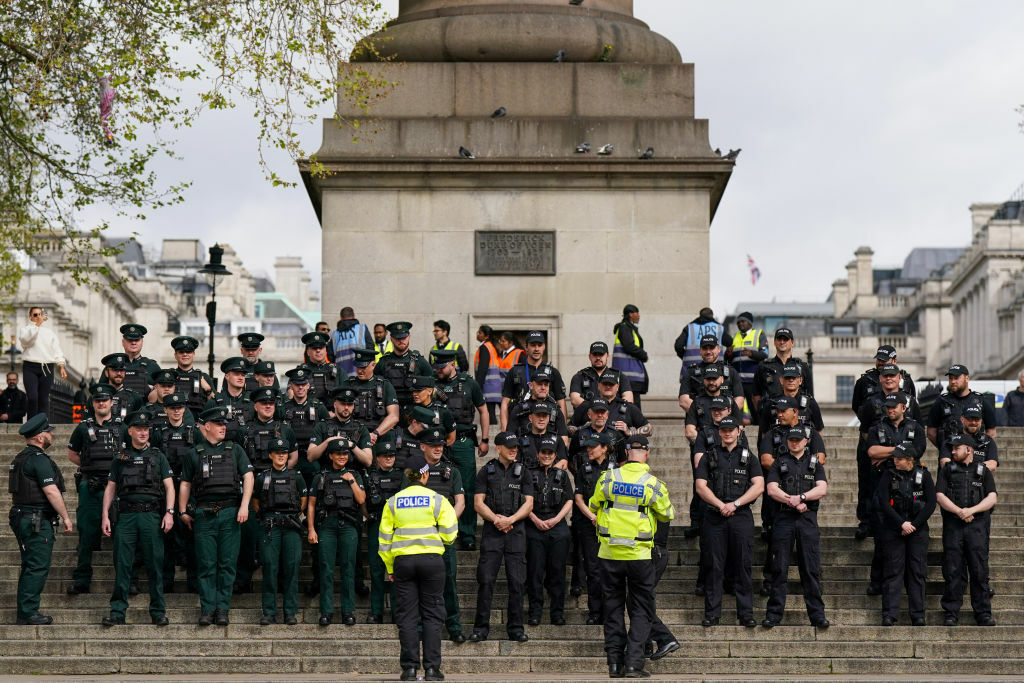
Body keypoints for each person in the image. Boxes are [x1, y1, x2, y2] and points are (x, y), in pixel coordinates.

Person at [588, 432, 674, 678]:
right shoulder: (653, 484)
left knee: (613, 608)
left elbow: (593, 505)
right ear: (646, 453)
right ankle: (634, 664)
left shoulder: (607, 478)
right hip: (639, 556)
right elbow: (668, 514)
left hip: (609, 554)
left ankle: (614, 664)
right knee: (641, 610)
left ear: (626, 453)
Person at [377, 452, 458, 682]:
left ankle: (409, 669)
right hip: (432, 562)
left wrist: (390, 567)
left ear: (406, 475)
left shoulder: (393, 502)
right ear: (424, 474)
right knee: (432, 615)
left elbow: (384, 541)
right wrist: (437, 539)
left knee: (407, 616)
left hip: (403, 563)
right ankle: (432, 669)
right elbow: (451, 534)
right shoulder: (437, 499)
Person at [178, 406, 255, 626]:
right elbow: (185, 483)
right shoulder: (195, 453)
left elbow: (248, 476)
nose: (224, 428)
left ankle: (222, 609)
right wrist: (183, 510)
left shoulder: (235, 449)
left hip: (231, 512)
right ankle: (207, 609)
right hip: (204, 513)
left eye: (225, 424)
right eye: (219, 424)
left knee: (228, 563)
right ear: (207, 427)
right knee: (206, 564)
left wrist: (244, 505)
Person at [99, 411, 175, 627]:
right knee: (122, 564)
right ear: (130, 431)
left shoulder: (158, 456)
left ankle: (158, 611)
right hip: (126, 517)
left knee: (154, 564)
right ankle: (117, 612)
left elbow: (170, 486)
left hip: (151, 515)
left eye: (146, 429)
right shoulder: (120, 458)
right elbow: (111, 488)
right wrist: (105, 515)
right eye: (139, 429)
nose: (143, 432)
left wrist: (169, 513)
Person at [694, 416, 763, 628]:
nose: (727, 433)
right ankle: (712, 614)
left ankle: (746, 614)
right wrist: (720, 504)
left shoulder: (749, 457)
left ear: (739, 431)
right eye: (723, 429)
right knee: (713, 566)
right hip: (715, 517)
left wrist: (735, 504)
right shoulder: (708, 456)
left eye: (731, 429)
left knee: (742, 565)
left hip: (740, 516)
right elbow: (700, 486)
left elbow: (759, 486)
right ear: (719, 432)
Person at [469, 431, 534, 643]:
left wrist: (510, 520)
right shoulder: (485, 472)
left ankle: (515, 629)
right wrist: (497, 521)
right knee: (486, 581)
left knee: (517, 582)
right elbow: (478, 503)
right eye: (510, 446)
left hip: (516, 533)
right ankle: (480, 628)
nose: (514, 449)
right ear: (499, 448)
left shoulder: (523, 471)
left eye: (516, 446)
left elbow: (529, 504)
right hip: (492, 533)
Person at [763, 427, 829, 629]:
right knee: (779, 568)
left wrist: (801, 498)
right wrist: (791, 501)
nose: (794, 442)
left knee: (810, 569)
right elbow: (771, 489)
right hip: (784, 518)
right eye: (791, 439)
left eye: (798, 439)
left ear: (806, 441)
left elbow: (822, 488)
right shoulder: (779, 462)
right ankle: (774, 614)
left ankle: (817, 616)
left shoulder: (814, 463)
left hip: (807, 519)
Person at [10, 413, 72, 625]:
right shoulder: (38, 460)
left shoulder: (20, 458)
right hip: (35, 518)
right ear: (39, 437)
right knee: (37, 565)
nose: (51, 434)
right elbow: (52, 492)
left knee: (30, 564)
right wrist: (66, 517)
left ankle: (25, 610)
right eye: (47, 432)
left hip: (22, 515)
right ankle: (28, 612)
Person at [65, 384, 124, 596]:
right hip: (90, 485)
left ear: (111, 402)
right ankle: (82, 579)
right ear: (93, 403)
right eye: (98, 400)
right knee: (87, 534)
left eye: (105, 400)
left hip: (115, 486)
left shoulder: (122, 427)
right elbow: (72, 454)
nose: (101, 403)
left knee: (120, 534)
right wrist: (88, 464)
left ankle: (125, 580)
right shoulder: (83, 427)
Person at [936, 433, 998, 626]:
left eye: (957, 448)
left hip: (977, 526)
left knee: (979, 570)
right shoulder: (947, 469)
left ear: (969, 450)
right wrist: (959, 511)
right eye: (952, 448)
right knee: (953, 569)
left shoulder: (983, 470)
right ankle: (951, 612)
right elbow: (939, 495)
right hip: (954, 526)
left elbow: (992, 497)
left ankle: (982, 612)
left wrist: (971, 510)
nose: (952, 452)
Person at [433, 348, 489, 550]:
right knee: (438, 487)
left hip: (464, 442)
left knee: (467, 488)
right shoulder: (432, 383)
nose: (438, 370)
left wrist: (484, 439)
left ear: (452, 365)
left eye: (442, 367)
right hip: (439, 442)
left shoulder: (468, 383)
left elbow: (483, 410)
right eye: (436, 367)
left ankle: (467, 533)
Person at [873, 443, 935, 626]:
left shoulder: (924, 475)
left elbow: (931, 503)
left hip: (917, 531)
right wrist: (901, 523)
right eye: (894, 458)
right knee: (893, 572)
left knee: (917, 572)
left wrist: (913, 525)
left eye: (899, 458)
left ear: (910, 460)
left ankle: (918, 614)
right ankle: (890, 614)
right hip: (894, 530)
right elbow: (884, 502)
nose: (895, 461)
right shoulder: (888, 474)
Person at [417, 427, 467, 643]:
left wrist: (445, 526)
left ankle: (454, 626)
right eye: (433, 445)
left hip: (444, 538)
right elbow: (407, 500)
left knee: (449, 582)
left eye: (440, 445)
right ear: (423, 447)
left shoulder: (452, 471)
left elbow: (461, 503)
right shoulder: (413, 471)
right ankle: (420, 627)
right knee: (420, 584)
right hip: (420, 538)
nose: (438, 448)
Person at [308, 438, 365, 626]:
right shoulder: (321, 476)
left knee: (349, 568)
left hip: (348, 525)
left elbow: (361, 499)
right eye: (338, 454)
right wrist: (311, 529)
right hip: (327, 525)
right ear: (331, 455)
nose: (342, 457)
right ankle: (326, 611)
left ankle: (348, 611)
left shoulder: (354, 475)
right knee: (326, 569)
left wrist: (351, 481)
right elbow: (312, 505)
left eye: (345, 454)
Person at [150, 392, 200, 593]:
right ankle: (167, 580)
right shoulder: (158, 432)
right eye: (173, 407)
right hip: (166, 489)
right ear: (166, 410)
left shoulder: (194, 431)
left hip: (188, 487)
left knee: (191, 535)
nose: (177, 410)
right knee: (166, 536)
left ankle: (194, 581)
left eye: (180, 407)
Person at [253, 437, 307, 626]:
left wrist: (295, 515)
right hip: (271, 526)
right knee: (269, 568)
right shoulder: (263, 477)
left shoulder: (296, 475)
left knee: (291, 568)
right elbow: (256, 500)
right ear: (270, 455)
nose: (281, 456)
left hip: (291, 526)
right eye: (277, 453)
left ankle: (290, 612)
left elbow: (304, 498)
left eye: (284, 453)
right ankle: (269, 612)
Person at [526, 436, 573, 626]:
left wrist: (556, 519)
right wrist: (535, 519)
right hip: (534, 523)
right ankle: (535, 612)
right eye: (543, 452)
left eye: (550, 453)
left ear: (555, 455)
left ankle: (557, 613)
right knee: (535, 572)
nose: (546, 456)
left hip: (557, 525)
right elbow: (524, 500)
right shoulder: (528, 474)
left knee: (557, 572)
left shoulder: (561, 475)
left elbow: (569, 499)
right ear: (538, 454)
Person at [573, 430, 616, 625]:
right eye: (588, 446)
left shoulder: (617, 470)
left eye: (593, 447)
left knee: (610, 570)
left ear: (604, 448)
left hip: (613, 527)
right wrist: (592, 516)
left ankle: (610, 612)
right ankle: (595, 611)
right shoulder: (584, 468)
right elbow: (579, 497)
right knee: (593, 569)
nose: (589, 450)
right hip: (589, 525)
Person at [364, 440, 404, 623]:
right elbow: (363, 502)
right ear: (377, 458)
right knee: (376, 569)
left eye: (392, 456)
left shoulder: (401, 476)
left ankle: (397, 611)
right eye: (385, 456)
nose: (389, 459)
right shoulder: (370, 476)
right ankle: (376, 611)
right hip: (377, 524)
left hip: (397, 526)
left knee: (397, 569)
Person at [500, 330, 567, 428]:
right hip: (520, 427)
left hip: (547, 429)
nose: (536, 349)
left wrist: (563, 430)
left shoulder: (553, 372)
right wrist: (504, 430)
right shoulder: (515, 371)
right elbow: (505, 402)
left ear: (544, 347)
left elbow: (561, 402)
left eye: (539, 345)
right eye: (533, 345)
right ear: (526, 347)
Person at [927, 365, 997, 450]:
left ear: (967, 378)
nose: (953, 381)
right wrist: (944, 449)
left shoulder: (981, 401)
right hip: (950, 455)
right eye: (950, 378)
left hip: (975, 455)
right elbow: (931, 432)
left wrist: (982, 450)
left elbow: (991, 432)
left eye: (956, 378)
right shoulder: (941, 401)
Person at [345, 347, 400, 448]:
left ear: (373, 365)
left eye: (363, 367)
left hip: (379, 436)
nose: (360, 371)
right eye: (357, 366)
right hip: (354, 436)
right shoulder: (348, 385)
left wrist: (375, 434)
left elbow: (394, 416)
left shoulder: (385, 385)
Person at [375, 322, 432, 419]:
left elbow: (431, 386)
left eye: (404, 337)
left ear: (409, 337)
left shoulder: (419, 361)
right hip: (389, 412)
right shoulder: (383, 362)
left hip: (414, 413)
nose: (401, 341)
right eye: (397, 338)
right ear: (391, 339)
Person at [18, 307, 67, 417]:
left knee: (44, 399)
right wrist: (37, 326)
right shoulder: (25, 330)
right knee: (32, 397)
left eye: (40, 314)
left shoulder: (50, 333)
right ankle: (31, 425)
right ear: (30, 317)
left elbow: (56, 350)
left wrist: (61, 365)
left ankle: (42, 426)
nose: (38, 317)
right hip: (30, 366)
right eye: (35, 315)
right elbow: (27, 341)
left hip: (47, 367)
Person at [678, 335, 744, 415]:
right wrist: (704, 415)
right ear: (700, 350)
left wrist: (722, 414)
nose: (708, 352)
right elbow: (683, 401)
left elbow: (739, 400)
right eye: (705, 348)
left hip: (725, 423)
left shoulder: (730, 371)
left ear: (719, 349)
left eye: (711, 348)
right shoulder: (691, 372)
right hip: (698, 422)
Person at [753, 327, 814, 412]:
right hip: (771, 418)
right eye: (779, 339)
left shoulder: (803, 367)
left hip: (797, 418)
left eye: (785, 339)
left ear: (792, 342)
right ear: (774, 342)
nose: (782, 342)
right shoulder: (763, 367)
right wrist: (762, 415)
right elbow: (756, 395)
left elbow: (810, 396)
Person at [851, 344, 917, 415]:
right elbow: (856, 407)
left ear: (894, 361)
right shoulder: (865, 381)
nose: (880, 363)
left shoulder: (906, 380)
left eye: (884, 360)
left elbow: (912, 405)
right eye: (879, 359)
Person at [203, 357, 254, 446]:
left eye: (243, 375)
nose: (241, 377)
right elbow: (202, 426)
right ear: (227, 376)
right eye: (236, 374)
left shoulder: (252, 401)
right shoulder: (216, 401)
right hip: (223, 453)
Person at [570, 341, 634, 409]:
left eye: (601, 354)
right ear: (590, 357)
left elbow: (629, 399)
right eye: (595, 355)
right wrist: (596, 410)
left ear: (607, 356)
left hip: (615, 417)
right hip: (587, 417)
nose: (598, 358)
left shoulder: (619, 376)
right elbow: (575, 400)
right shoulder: (580, 376)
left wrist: (611, 412)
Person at [725, 311, 768, 409]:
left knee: (755, 409)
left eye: (743, 321)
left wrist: (752, 354)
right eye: (738, 322)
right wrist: (728, 353)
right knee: (736, 409)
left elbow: (765, 354)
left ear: (750, 323)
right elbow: (727, 359)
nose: (740, 324)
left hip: (753, 381)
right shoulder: (733, 337)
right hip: (737, 381)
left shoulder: (759, 335)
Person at [612, 305, 648, 409]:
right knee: (633, 406)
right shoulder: (625, 328)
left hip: (629, 374)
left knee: (632, 405)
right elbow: (629, 346)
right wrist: (643, 355)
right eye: (637, 313)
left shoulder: (628, 328)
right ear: (631, 314)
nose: (639, 315)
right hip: (628, 375)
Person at [675, 307, 725, 378]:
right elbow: (729, 343)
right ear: (712, 315)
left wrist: (685, 356)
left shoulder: (690, 327)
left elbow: (678, 345)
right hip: (715, 370)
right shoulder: (719, 327)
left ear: (700, 315)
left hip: (692, 369)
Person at [169, 336, 213, 416]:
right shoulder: (169, 377)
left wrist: (208, 389)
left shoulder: (203, 377)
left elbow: (216, 404)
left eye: (188, 352)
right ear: (175, 355)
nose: (185, 354)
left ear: (193, 354)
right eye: (181, 352)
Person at [98, 353, 144, 423]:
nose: (119, 373)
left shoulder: (135, 397)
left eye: (122, 370)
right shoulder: (97, 397)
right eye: (115, 370)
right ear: (107, 373)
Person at [302, 331, 346, 406]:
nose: (318, 350)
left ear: (325, 350)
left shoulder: (338, 371)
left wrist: (335, 413)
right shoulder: (301, 372)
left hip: (333, 415)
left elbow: (347, 397)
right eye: (314, 348)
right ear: (308, 352)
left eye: (321, 347)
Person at [119, 323, 161, 398]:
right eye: (130, 340)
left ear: (142, 342)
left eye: (137, 340)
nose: (133, 343)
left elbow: (163, 395)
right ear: (123, 342)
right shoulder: (113, 365)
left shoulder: (152, 366)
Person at [332, 307, 374, 376]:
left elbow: (331, 357)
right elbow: (371, 349)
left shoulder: (334, 334)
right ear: (354, 316)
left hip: (341, 377)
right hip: (361, 375)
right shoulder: (362, 329)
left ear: (341, 318)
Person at [474, 325, 502, 424]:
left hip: (488, 385)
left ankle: (491, 435)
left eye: (480, 333)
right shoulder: (491, 346)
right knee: (492, 412)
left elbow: (482, 368)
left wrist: (477, 386)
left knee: (489, 413)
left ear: (486, 336)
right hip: (494, 385)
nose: (477, 334)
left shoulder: (485, 347)